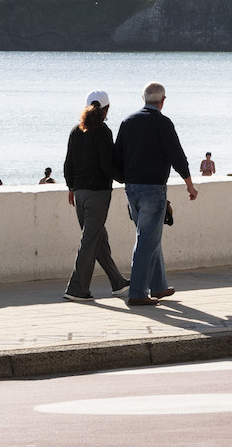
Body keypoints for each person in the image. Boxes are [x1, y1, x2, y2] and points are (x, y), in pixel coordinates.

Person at [114, 82, 197, 307]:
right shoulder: (163, 123)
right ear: (162, 101)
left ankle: (158, 286)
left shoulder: (127, 121)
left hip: (132, 188)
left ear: (144, 98)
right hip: (153, 187)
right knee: (146, 239)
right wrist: (190, 184)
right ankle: (138, 292)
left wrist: (124, 179)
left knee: (151, 235)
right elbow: (177, 156)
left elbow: (117, 155)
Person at [61, 90, 129, 301]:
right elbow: (107, 165)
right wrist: (126, 178)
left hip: (79, 194)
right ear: (107, 109)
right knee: (90, 239)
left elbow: (68, 164)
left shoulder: (76, 131)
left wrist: (71, 188)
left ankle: (118, 283)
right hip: (98, 194)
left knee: (98, 237)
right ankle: (77, 289)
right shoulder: (103, 132)